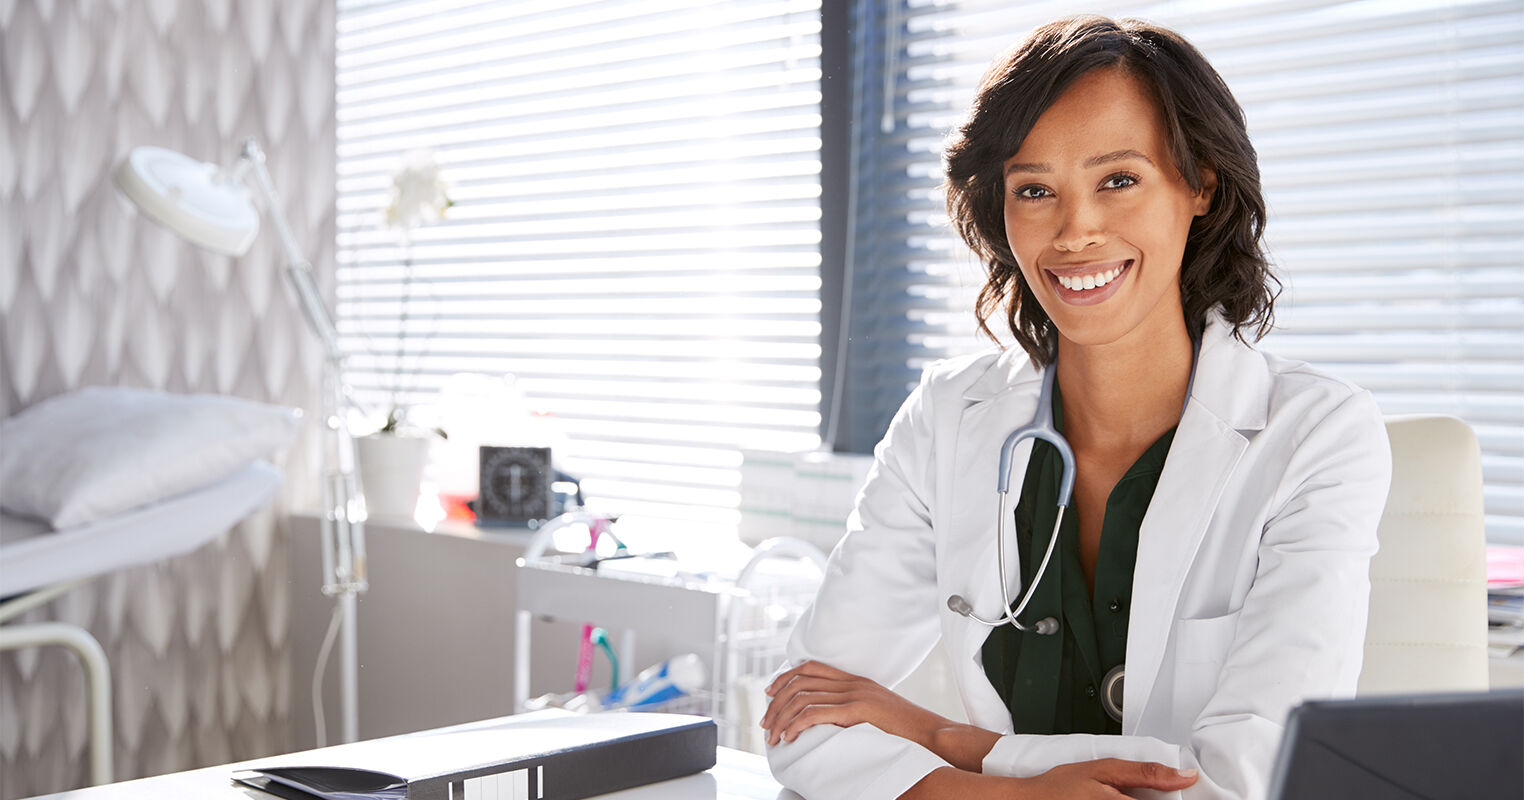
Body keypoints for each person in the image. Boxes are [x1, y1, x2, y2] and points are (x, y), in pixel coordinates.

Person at [759, 15, 1391, 800]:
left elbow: (1240, 785)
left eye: (1118, 180)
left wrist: (946, 739)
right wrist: (1020, 794)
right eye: (1034, 190)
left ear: (1200, 185)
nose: (1075, 229)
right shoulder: (947, 419)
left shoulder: (1317, 437)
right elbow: (803, 719)